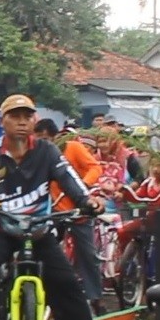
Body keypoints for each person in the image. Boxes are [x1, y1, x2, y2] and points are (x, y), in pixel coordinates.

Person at [0, 95, 103, 320]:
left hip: (38, 229)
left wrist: (87, 200)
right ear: (3, 120)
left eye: (27, 117)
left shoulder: (47, 151)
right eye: (15, 117)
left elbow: (69, 178)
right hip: (0, 226)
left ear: (34, 120)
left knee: (67, 282)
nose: (22, 122)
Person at [34, 119, 105, 309]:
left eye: (47, 139)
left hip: (79, 209)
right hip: (55, 210)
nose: (44, 143)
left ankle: (94, 297)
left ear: (56, 137)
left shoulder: (73, 148)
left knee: (87, 254)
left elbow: (95, 168)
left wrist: (83, 186)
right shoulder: (37, 154)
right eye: (39, 138)